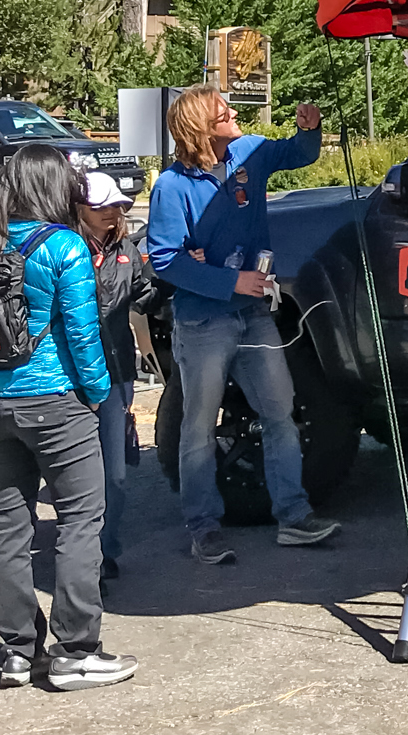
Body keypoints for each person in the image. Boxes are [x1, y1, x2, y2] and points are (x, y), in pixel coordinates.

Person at [146, 87, 340, 565]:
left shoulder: (249, 151)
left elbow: (296, 153)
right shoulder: (171, 187)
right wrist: (232, 280)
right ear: (200, 128)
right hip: (204, 321)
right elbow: (165, 260)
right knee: (198, 428)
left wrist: (309, 129)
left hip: (254, 316)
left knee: (281, 414)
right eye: (223, 112)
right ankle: (203, 527)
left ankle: (293, 517)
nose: (234, 115)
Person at [0, 145, 139, 690]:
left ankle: (18, 652)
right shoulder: (64, 246)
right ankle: (77, 649)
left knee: (10, 523)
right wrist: (99, 397)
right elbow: (83, 336)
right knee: (79, 519)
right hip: (55, 400)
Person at [77, 171, 146, 584]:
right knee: (78, 475)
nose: (114, 212)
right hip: (70, 380)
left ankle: (104, 553)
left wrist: (170, 279)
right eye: (103, 206)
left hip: (117, 372)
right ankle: (83, 559)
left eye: (118, 204)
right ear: (79, 209)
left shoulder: (126, 247)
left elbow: (142, 293)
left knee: (115, 475)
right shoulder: (62, 247)